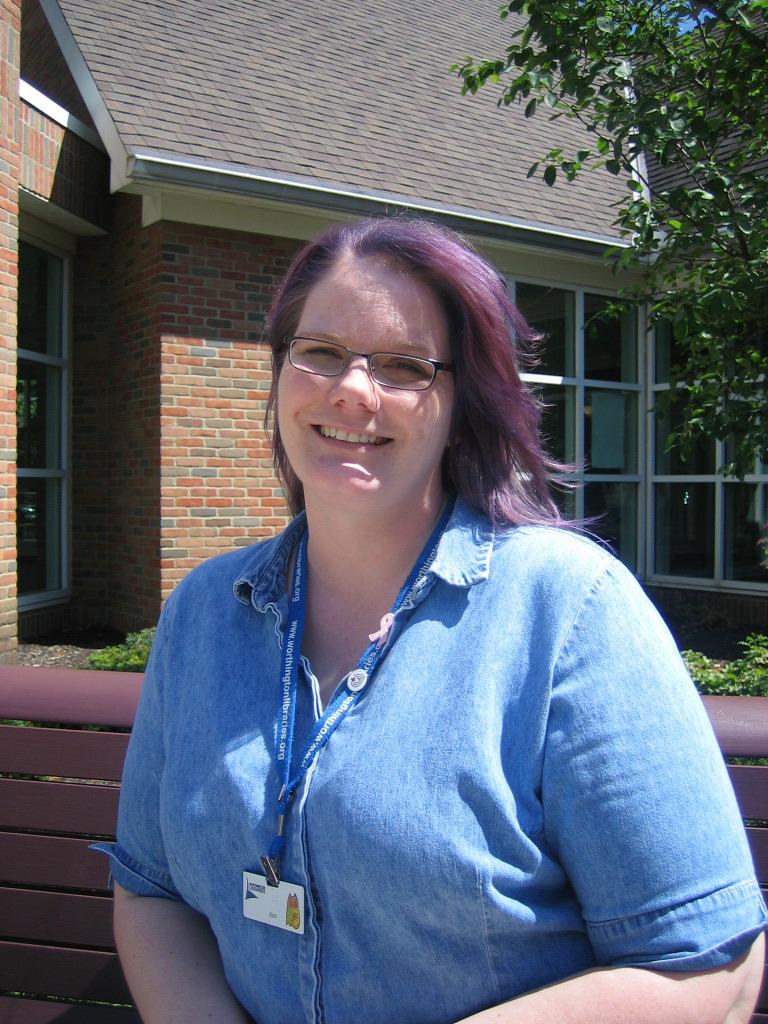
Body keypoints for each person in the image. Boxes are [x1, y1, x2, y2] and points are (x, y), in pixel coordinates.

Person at [98, 216, 767, 1024]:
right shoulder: (204, 613)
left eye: (405, 365)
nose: (351, 389)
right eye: (320, 352)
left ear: (462, 405)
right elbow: (151, 889)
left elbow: (710, 968)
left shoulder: (570, 610)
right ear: (281, 372)